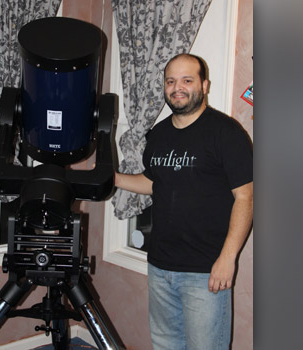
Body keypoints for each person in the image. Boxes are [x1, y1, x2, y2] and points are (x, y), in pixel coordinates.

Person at [115, 53, 253, 350]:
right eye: (171, 81)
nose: (177, 87)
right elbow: (154, 183)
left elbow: (245, 197)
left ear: (204, 85)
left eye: (187, 80)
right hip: (160, 266)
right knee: (165, 345)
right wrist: (113, 178)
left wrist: (227, 259)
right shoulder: (158, 135)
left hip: (205, 270)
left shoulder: (226, 133)